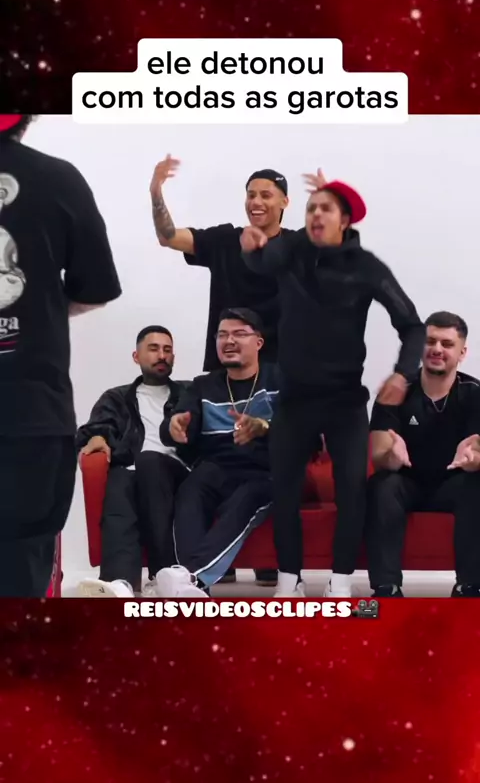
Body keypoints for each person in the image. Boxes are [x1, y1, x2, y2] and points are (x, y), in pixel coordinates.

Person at [241, 178, 425, 598]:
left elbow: (412, 325)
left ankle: (340, 581)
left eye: (325, 208)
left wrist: (402, 374)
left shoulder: (367, 267)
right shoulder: (292, 251)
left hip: (344, 401)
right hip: (295, 399)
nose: (315, 215)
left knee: (352, 494)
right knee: (284, 492)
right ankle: (289, 580)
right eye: (311, 208)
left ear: (345, 220)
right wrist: (249, 248)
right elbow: (262, 263)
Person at [149, 156, 310, 587]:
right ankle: (191, 578)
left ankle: (211, 573)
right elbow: (169, 236)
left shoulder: (297, 247)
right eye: (250, 194)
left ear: (285, 202)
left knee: (261, 470)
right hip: (226, 379)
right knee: (208, 473)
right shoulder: (225, 241)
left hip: (277, 379)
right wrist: (156, 193)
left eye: (266, 194)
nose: (256, 201)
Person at [0, 114, 121, 597]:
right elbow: (95, 289)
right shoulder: (58, 179)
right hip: (29, 416)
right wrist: (39, 310)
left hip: (31, 417)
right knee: (20, 574)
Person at [154, 308, 278, 598]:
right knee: (191, 490)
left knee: (249, 496)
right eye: (222, 335)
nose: (229, 341)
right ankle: (193, 589)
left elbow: (306, 433)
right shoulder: (203, 385)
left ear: (259, 342)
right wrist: (173, 426)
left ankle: (191, 578)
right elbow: (177, 423)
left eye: (239, 334)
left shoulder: (280, 379)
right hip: (217, 467)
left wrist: (265, 428)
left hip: (269, 469)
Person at [367, 311, 480, 598]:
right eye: (430, 341)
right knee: (382, 484)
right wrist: (392, 457)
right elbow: (378, 455)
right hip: (407, 483)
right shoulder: (395, 391)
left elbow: (478, 451)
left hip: (455, 482)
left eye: (447, 343)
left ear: (462, 353)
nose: (437, 349)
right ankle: (387, 587)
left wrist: (473, 460)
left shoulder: (474, 394)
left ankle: (470, 586)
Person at [76, 326, 192, 598]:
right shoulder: (117, 398)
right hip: (133, 471)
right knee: (118, 479)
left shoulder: (189, 393)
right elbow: (96, 427)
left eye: (167, 350)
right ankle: (120, 583)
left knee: (149, 462)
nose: (162, 355)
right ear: (136, 356)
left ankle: (163, 575)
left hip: (177, 472)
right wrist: (98, 437)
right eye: (153, 349)